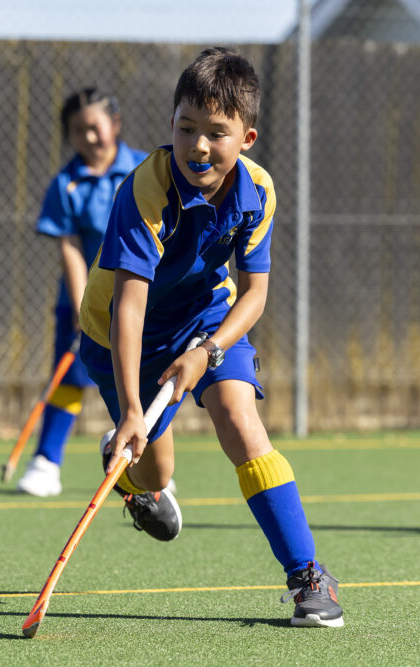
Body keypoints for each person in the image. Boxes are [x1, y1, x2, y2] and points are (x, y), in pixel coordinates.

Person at [78, 48, 344, 627]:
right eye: (186, 128)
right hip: (123, 335)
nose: (198, 145)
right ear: (171, 123)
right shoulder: (144, 192)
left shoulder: (258, 191)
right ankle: (131, 475)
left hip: (206, 321)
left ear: (246, 137)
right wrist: (130, 409)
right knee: (153, 471)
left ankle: (308, 577)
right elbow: (129, 307)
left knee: (239, 419)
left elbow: (254, 294)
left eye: (216, 133)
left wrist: (206, 352)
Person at [16, 88, 147, 497]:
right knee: (70, 377)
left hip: (145, 301)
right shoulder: (65, 184)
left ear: (116, 124)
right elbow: (70, 250)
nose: (88, 137)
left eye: (95, 127)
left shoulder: (147, 169)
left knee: (146, 381)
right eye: (77, 131)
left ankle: (149, 466)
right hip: (82, 302)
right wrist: (80, 305)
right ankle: (46, 463)